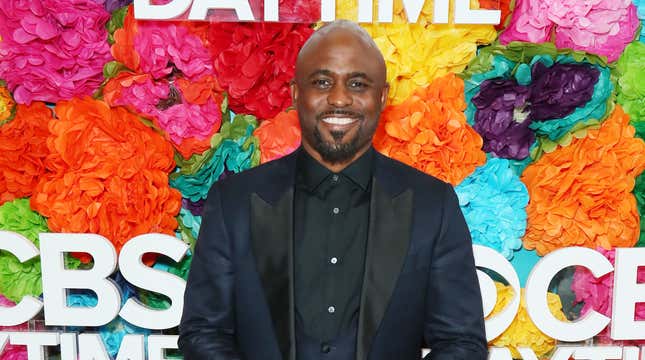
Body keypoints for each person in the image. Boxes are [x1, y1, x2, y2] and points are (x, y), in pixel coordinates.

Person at [178, 20, 487, 360]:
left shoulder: (432, 205)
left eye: (358, 83)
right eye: (322, 82)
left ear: (382, 97)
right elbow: (204, 332)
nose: (339, 98)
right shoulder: (234, 202)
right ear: (297, 94)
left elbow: (461, 343)